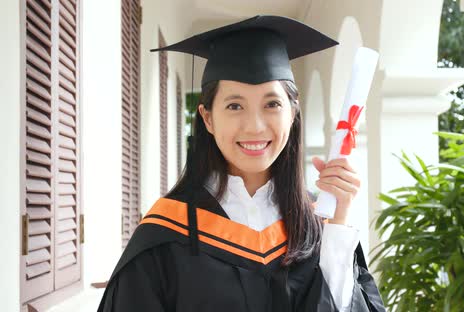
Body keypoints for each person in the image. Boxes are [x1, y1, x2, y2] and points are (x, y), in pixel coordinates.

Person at [98, 15, 385, 312]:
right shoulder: (165, 233)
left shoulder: (316, 225)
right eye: (235, 106)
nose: (255, 126)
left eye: (272, 104)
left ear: (292, 112)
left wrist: (338, 223)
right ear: (207, 117)